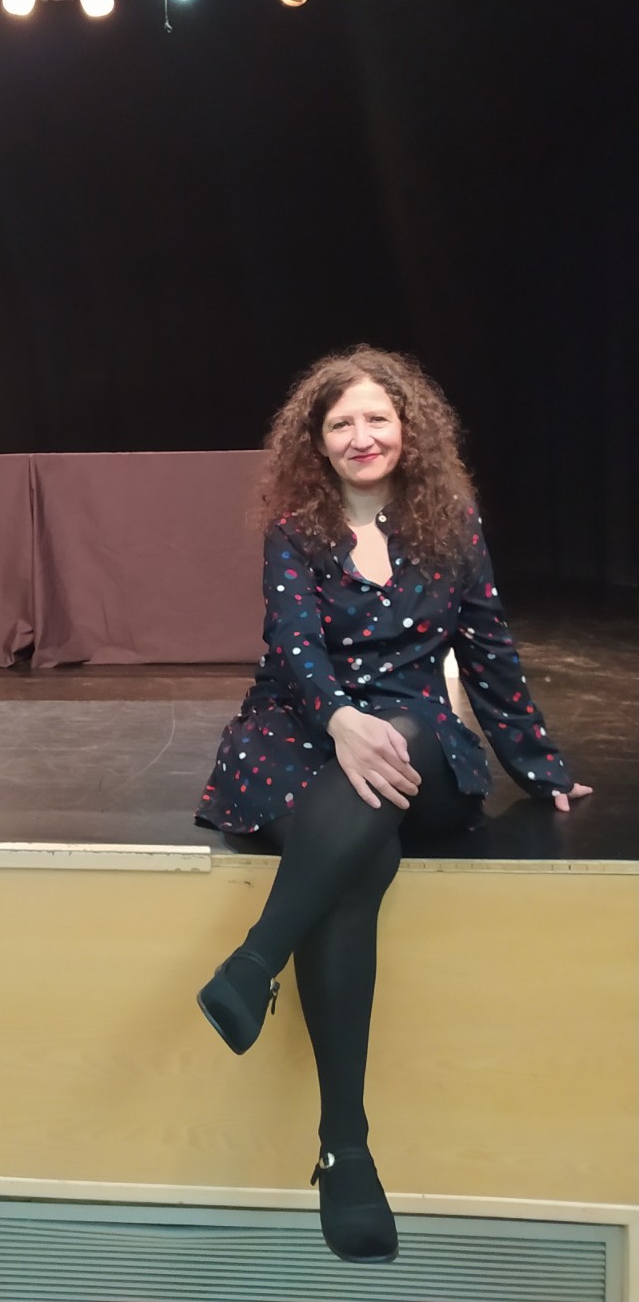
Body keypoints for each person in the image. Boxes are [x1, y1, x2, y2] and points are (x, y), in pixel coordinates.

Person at [193, 345, 591, 1265]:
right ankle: (347, 1148)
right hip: (302, 729)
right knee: (361, 854)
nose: (361, 436)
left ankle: (255, 963)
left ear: (409, 428)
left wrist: (540, 766)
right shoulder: (295, 528)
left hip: (416, 743)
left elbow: (487, 651)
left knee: (396, 739)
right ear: (317, 441)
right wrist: (338, 719)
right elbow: (293, 649)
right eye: (341, 424)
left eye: (376, 418)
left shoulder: (450, 522)